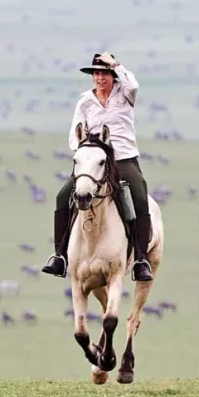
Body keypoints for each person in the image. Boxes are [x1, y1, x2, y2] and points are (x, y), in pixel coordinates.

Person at [40, 52, 154, 282]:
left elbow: (133, 83)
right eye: (96, 73)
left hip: (123, 159)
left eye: (105, 73)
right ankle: (59, 256)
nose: (100, 78)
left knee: (140, 197)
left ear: (113, 75)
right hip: (93, 162)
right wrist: (88, 147)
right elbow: (74, 136)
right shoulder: (84, 102)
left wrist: (115, 63)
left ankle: (141, 259)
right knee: (63, 197)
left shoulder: (125, 94)